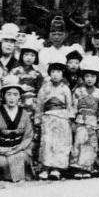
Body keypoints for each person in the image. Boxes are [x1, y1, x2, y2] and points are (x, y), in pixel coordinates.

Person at [36, 52, 75, 180]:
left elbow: (69, 105)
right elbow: (40, 104)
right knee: (47, 142)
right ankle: (45, 167)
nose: (55, 74)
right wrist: (38, 118)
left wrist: (70, 118)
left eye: (58, 72)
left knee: (60, 143)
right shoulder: (45, 88)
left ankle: (56, 169)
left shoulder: (65, 88)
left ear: (62, 73)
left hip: (62, 118)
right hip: (48, 118)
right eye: (53, 71)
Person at [0, 75, 34, 182]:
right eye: (8, 94)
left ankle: (16, 178)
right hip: (1, 150)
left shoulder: (24, 113)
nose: (12, 98)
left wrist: (18, 148)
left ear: (19, 96)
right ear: (3, 95)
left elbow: (28, 135)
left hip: (19, 149)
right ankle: (7, 177)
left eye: (15, 94)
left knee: (20, 157)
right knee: (2, 162)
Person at [71, 56, 99, 178]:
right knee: (79, 141)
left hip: (93, 121)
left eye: (92, 76)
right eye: (87, 76)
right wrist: (73, 119)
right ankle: (77, 167)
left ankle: (87, 168)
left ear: (96, 78)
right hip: (80, 119)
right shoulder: (78, 91)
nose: (89, 79)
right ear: (83, 78)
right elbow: (74, 106)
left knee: (91, 144)